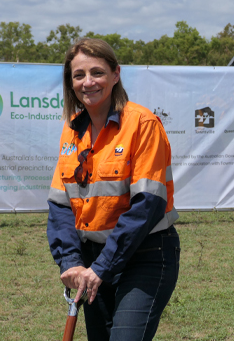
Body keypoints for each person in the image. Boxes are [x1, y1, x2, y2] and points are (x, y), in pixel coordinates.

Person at [47, 38, 179, 340]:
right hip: (92, 261)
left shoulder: (142, 124)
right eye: (79, 75)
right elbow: (60, 205)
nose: (88, 82)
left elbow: (148, 205)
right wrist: (71, 262)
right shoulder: (71, 129)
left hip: (146, 254)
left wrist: (103, 266)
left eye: (98, 73)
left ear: (115, 74)